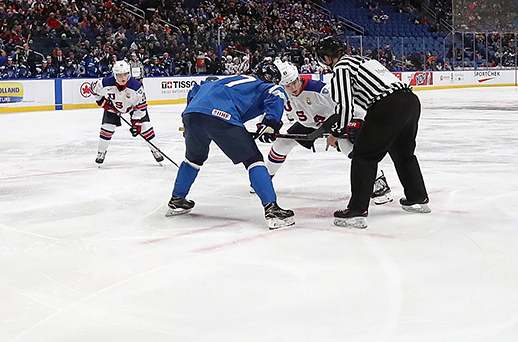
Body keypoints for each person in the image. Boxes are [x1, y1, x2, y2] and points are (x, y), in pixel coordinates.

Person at [315, 36, 428, 229]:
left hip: (388, 106)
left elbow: (345, 106)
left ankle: (357, 210)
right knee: (403, 154)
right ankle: (417, 197)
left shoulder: (342, 67)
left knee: (363, 157)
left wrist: (336, 132)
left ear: (326, 58)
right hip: (410, 101)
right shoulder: (365, 60)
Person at [169, 61, 295, 229]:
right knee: (253, 160)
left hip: (192, 114)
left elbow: (196, 89)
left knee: (193, 159)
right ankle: (272, 209)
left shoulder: (230, 80)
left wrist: (190, 116)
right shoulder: (262, 85)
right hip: (222, 116)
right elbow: (277, 93)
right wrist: (271, 123)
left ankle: (177, 199)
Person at [266, 59, 392, 205]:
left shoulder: (319, 90)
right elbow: (271, 110)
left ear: (298, 77)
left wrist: (355, 123)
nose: (293, 87)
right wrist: (268, 125)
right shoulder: (281, 94)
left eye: (294, 82)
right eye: (288, 85)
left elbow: (347, 107)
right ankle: (264, 179)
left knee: (348, 147)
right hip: (309, 124)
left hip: (334, 121)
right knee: (282, 144)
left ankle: (379, 182)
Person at [88, 60, 163, 165]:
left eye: (125, 74)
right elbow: (92, 89)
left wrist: (136, 123)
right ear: (115, 75)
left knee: (146, 127)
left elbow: (141, 106)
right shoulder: (105, 82)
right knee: (107, 128)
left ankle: (156, 150)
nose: (123, 78)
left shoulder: (136, 87)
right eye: (119, 75)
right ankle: (101, 152)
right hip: (113, 107)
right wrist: (101, 101)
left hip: (132, 108)